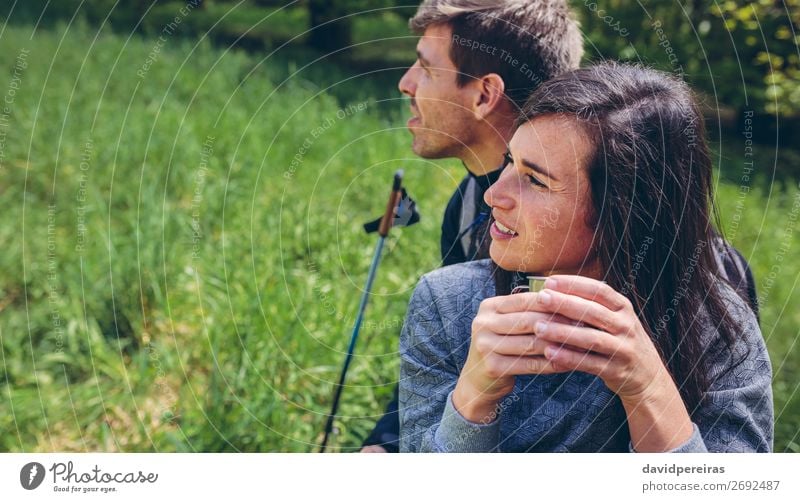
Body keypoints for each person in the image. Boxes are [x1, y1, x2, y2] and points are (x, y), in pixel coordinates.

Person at [399, 63, 774, 453]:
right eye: (510, 161)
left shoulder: (717, 329)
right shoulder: (448, 305)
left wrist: (646, 387)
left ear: (624, 214)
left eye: (535, 180)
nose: (494, 195)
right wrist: (473, 399)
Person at [360, 0, 584, 452]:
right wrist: (386, 442)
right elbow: (452, 354)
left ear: (484, 94)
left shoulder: (571, 227)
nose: (406, 83)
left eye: (425, 67)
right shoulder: (466, 206)